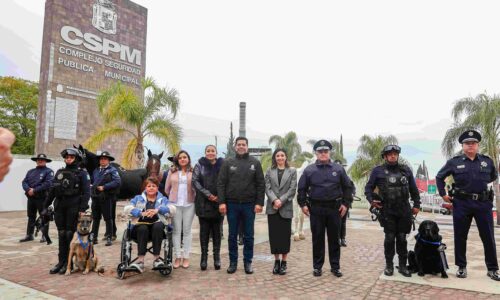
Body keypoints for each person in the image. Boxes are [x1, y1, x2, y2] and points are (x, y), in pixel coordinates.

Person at [436, 130, 499, 281]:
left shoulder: (487, 161)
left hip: (483, 204)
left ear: (477, 145)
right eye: (467, 143)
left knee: (488, 237)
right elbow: (439, 177)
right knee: (460, 236)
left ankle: (492, 269)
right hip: (461, 204)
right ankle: (461, 267)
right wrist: (443, 194)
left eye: (473, 143)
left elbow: (493, 176)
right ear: (463, 146)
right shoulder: (454, 162)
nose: (470, 146)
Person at [297, 140, 353, 277]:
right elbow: (301, 189)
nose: (323, 154)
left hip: (335, 209)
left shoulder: (338, 169)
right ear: (316, 153)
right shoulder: (309, 170)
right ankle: (317, 267)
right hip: (316, 209)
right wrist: (303, 204)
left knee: (335, 239)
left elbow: (348, 187)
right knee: (317, 239)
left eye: (325, 151)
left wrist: (345, 204)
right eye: (320, 152)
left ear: (329, 153)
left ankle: (335, 267)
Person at [364, 144, 420, 277]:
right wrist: (371, 200)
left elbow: (413, 189)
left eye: (395, 153)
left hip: (404, 209)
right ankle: (389, 265)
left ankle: (402, 266)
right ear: (385, 156)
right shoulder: (378, 171)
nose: (393, 155)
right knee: (389, 238)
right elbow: (368, 188)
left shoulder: (406, 170)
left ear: (398, 155)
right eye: (390, 154)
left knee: (402, 238)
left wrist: (417, 204)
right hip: (387, 210)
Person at [218, 137, 265, 274]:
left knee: (249, 236)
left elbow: (260, 184)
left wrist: (259, 203)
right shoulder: (228, 163)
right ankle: (233, 263)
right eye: (238, 144)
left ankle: (248, 262)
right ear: (235, 147)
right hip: (232, 205)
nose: (241, 146)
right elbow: (221, 183)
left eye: (243, 144)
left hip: (249, 205)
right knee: (232, 235)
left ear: (247, 146)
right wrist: (221, 202)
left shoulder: (255, 163)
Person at [45, 148, 90, 275]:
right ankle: (61, 262)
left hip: (74, 206)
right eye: (67, 157)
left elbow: (86, 193)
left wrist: (82, 209)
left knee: (69, 234)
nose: (68, 159)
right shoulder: (60, 172)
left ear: (76, 158)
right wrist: (45, 206)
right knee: (61, 233)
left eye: (71, 157)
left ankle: (68, 263)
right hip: (60, 205)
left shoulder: (82, 173)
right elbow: (52, 191)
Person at [125, 177, 171, 273]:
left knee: (158, 226)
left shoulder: (163, 199)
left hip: (157, 230)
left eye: (153, 186)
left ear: (157, 188)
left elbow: (171, 209)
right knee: (143, 228)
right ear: (145, 188)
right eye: (149, 186)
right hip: (140, 229)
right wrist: (141, 212)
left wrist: (157, 210)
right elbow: (127, 208)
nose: (151, 188)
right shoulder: (138, 198)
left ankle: (157, 260)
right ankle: (140, 261)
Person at [265, 148, 297, 275]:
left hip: (285, 208)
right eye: (277, 156)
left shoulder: (292, 171)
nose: (280, 158)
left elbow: (292, 189)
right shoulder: (269, 171)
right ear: (275, 158)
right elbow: (267, 188)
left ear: (286, 157)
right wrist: (274, 200)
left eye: (282, 155)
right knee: (274, 236)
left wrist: (281, 201)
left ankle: (284, 262)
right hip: (272, 208)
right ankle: (276, 261)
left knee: (284, 237)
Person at [193, 145, 224, 270]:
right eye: (208, 151)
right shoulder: (199, 165)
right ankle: (204, 258)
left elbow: (226, 182)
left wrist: (219, 197)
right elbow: (195, 181)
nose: (210, 153)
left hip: (218, 203)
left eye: (213, 151)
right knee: (204, 233)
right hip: (203, 204)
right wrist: (208, 195)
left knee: (217, 232)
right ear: (205, 153)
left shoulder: (222, 165)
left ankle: (217, 258)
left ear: (216, 153)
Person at [165, 150, 196, 269]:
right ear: (177, 160)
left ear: (188, 159)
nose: (183, 159)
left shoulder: (193, 172)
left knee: (187, 231)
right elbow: (167, 189)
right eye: (180, 158)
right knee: (176, 231)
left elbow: (196, 187)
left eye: (185, 157)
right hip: (175, 205)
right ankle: (178, 256)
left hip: (189, 204)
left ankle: (186, 257)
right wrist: (172, 197)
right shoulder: (171, 172)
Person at [20, 154, 54, 243]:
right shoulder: (30, 171)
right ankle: (29, 235)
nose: (40, 161)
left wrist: (34, 190)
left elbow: (48, 183)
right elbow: (24, 182)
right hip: (31, 198)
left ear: (45, 161)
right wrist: (28, 190)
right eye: (39, 159)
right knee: (31, 216)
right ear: (36, 161)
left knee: (44, 216)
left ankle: (44, 236)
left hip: (42, 198)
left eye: (42, 159)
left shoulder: (49, 171)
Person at [91, 151, 121, 246]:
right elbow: (92, 181)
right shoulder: (96, 170)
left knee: (108, 218)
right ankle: (94, 237)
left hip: (106, 197)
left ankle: (109, 237)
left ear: (108, 161)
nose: (103, 160)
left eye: (105, 159)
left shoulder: (112, 170)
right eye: (101, 159)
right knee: (95, 218)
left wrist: (105, 187)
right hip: (96, 197)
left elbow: (117, 181)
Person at [333, 159, 354, 247]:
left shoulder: (347, 178)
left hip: (344, 203)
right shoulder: (332, 178)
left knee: (343, 222)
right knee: (335, 222)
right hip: (334, 203)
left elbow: (352, 188)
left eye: (340, 165)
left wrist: (351, 195)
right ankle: (336, 238)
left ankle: (343, 239)